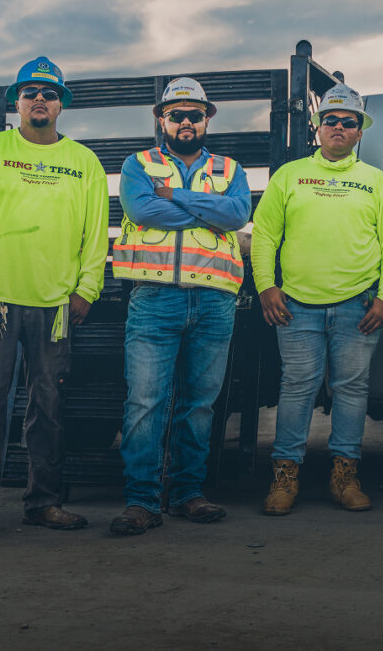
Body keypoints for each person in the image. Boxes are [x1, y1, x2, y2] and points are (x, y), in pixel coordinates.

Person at [0, 57, 109, 541]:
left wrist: (86, 289)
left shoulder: (85, 162)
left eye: (49, 93)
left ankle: (44, 502)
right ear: (15, 102)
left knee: (49, 407)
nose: (40, 100)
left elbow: (94, 235)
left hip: (55, 305)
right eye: (30, 92)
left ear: (62, 104)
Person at [251, 83, 383, 515]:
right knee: (296, 388)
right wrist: (266, 285)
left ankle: (345, 477)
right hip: (296, 306)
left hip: (359, 305)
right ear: (317, 128)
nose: (339, 127)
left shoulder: (377, 184)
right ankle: (284, 478)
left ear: (359, 132)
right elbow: (265, 236)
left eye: (348, 122)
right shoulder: (290, 176)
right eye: (331, 120)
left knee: (352, 390)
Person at [109, 77, 251, 535]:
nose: (186, 121)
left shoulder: (231, 168)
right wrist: (205, 207)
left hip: (214, 300)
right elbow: (143, 212)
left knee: (201, 405)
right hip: (154, 299)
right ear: (161, 118)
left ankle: (189, 493)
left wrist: (176, 196)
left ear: (208, 117)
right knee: (145, 403)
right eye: (177, 114)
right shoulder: (139, 164)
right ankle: (142, 501)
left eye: (195, 114)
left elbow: (237, 215)